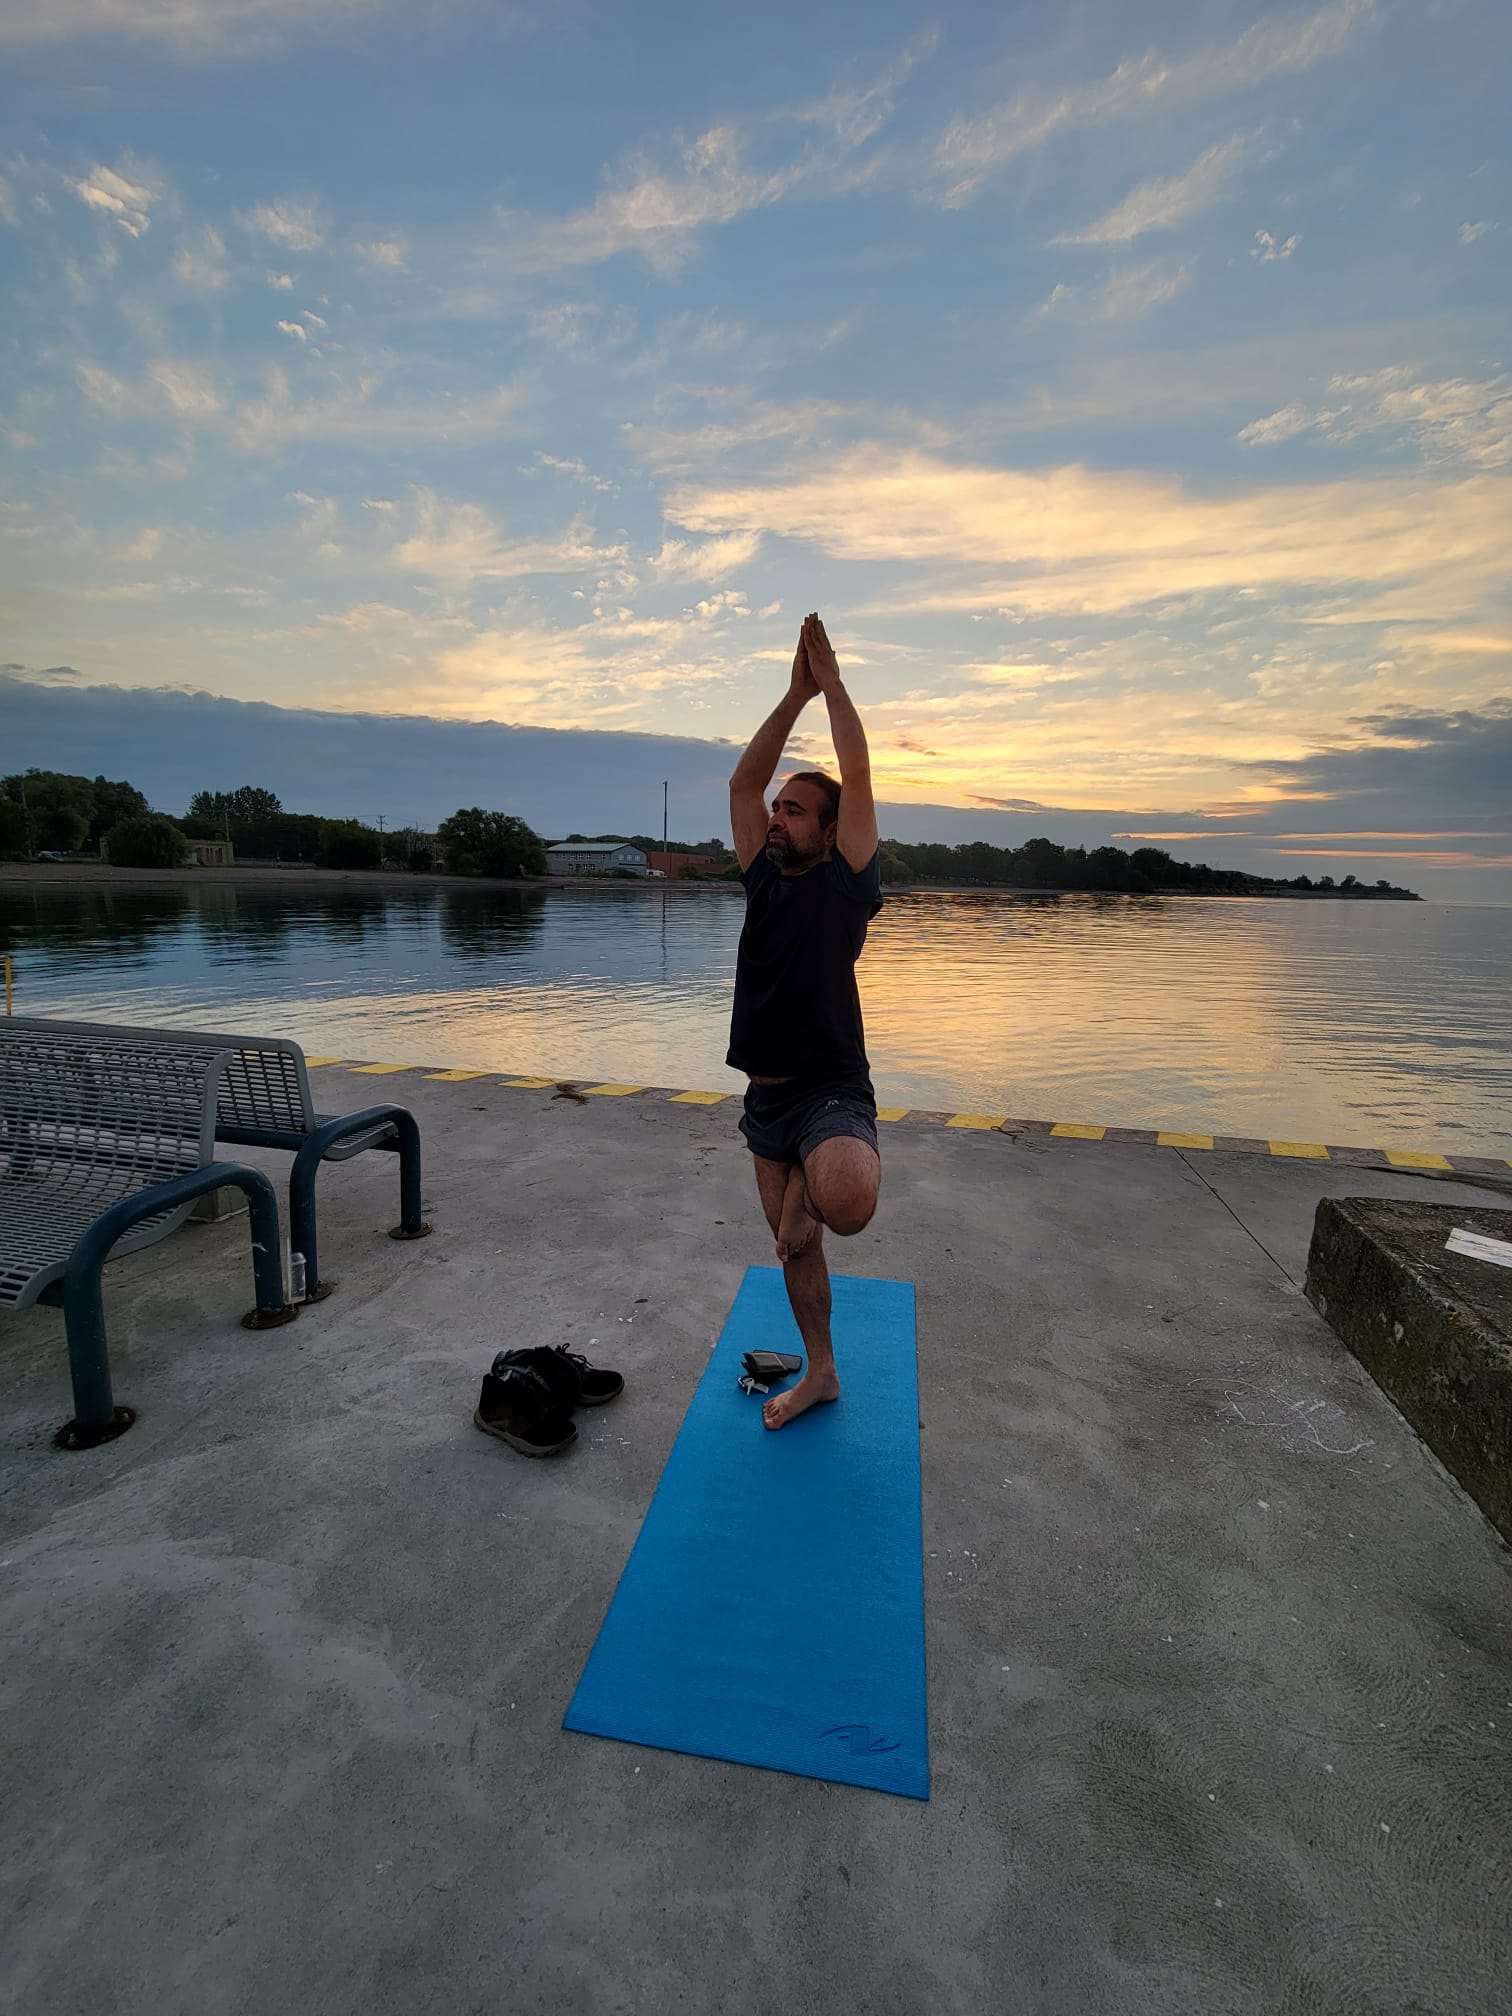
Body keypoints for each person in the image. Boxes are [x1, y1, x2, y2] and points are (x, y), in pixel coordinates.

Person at [727, 611, 883, 1430]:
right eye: (779, 808)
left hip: (829, 1087)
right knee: (797, 1251)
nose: (778, 816)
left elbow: (856, 775)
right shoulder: (762, 880)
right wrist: (790, 697)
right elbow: (740, 786)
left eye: (796, 811)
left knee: (844, 1201)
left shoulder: (847, 884)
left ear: (827, 830)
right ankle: (820, 1372)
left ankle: (805, 1198)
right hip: (766, 1100)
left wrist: (832, 688)